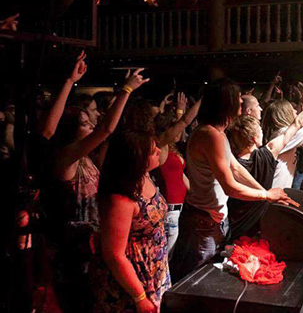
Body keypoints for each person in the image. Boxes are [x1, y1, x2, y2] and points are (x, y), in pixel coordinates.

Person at [170, 78, 297, 282]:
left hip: (210, 218)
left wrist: (267, 194)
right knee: (195, 281)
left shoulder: (216, 133)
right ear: (225, 102)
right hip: (203, 220)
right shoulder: (211, 135)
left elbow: (236, 168)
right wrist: (265, 194)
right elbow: (229, 186)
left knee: (203, 279)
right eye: (237, 98)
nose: (241, 103)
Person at [46, 68, 149, 312]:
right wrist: (125, 91)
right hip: (74, 252)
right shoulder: (65, 158)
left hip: (93, 247)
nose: (91, 124)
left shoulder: (89, 159)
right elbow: (106, 130)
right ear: (68, 130)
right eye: (83, 123)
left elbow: (111, 134)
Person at [226, 86, 303, 237]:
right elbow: (298, 124)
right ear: (256, 139)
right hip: (262, 218)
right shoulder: (266, 154)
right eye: (260, 130)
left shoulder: (229, 159)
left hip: (236, 226)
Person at [93, 132, 170, 313]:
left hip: (155, 268)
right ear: (136, 159)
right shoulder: (121, 198)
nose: (159, 151)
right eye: (152, 151)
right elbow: (114, 255)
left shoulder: (144, 177)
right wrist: (140, 296)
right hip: (133, 281)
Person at [154, 93, 201, 258]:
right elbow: (184, 122)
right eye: (175, 128)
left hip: (177, 208)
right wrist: (202, 100)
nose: (180, 131)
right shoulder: (161, 146)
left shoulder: (172, 149)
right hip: (170, 210)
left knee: (170, 255)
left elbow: (180, 176)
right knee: (166, 257)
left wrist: (196, 194)